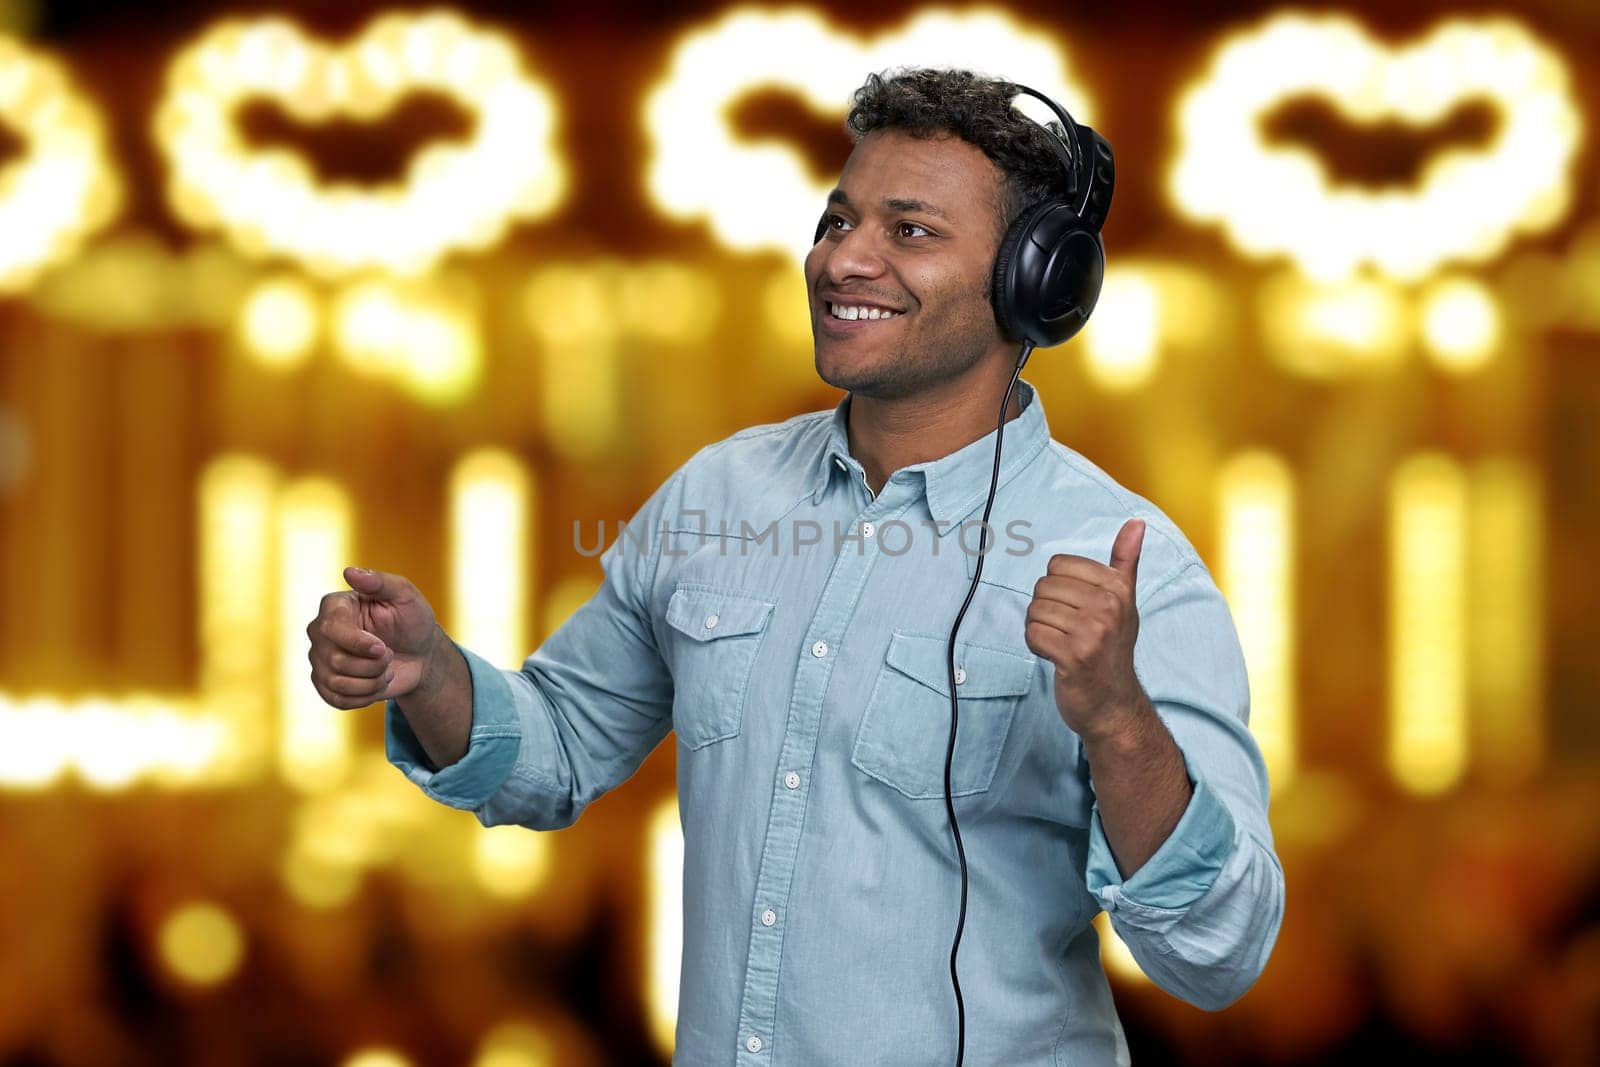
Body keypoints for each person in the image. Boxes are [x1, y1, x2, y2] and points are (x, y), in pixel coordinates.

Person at [308, 67, 1283, 1065]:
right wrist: (429, 674)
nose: (842, 260)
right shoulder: (715, 497)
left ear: (1032, 281)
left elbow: (1221, 949)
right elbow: (556, 752)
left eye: (908, 231)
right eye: (837, 219)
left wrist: (1120, 719)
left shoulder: (1130, 567)